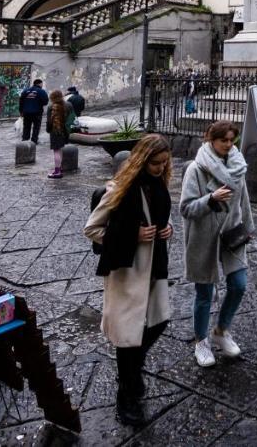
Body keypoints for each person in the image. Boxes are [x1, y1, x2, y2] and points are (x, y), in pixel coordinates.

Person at [84, 134, 173, 427]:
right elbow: (92, 229)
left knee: (159, 322)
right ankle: (127, 394)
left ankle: (132, 370)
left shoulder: (158, 186)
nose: (161, 168)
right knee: (127, 336)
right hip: (127, 271)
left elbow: (159, 218)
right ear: (141, 160)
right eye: (155, 163)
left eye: (164, 162)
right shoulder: (118, 190)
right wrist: (131, 236)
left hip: (154, 266)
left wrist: (167, 228)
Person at [180, 121, 254, 367]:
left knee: (239, 284)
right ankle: (201, 341)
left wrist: (248, 228)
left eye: (232, 140)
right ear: (211, 140)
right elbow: (186, 208)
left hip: (232, 231)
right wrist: (211, 199)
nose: (229, 145)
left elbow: (244, 201)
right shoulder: (196, 169)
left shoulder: (238, 165)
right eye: (224, 140)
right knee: (205, 293)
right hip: (205, 236)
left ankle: (221, 331)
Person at [46, 90, 77, 179]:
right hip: (65, 130)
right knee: (61, 148)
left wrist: (48, 130)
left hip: (55, 131)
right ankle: (60, 168)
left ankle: (57, 171)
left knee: (56, 150)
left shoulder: (51, 106)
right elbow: (73, 117)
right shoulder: (69, 105)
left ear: (52, 97)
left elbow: (49, 121)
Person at [18, 79, 49, 145]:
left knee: (26, 126)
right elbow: (45, 102)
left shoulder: (26, 91)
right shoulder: (41, 91)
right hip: (37, 112)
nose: (42, 85)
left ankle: (25, 139)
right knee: (36, 127)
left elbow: (21, 102)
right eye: (42, 84)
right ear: (40, 84)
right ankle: (34, 140)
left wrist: (21, 111)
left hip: (26, 112)